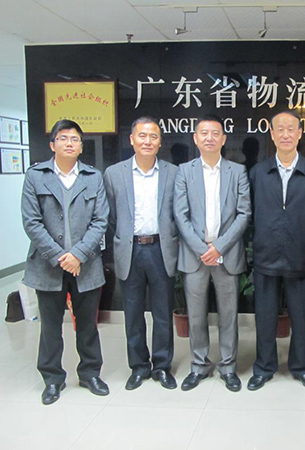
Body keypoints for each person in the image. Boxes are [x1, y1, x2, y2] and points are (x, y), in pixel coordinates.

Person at [21, 119, 109, 404]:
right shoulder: (36, 176)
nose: (69, 143)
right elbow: (32, 222)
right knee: (50, 327)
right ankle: (52, 379)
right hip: (47, 266)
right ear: (52, 145)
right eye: (63, 138)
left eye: (74, 139)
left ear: (81, 146)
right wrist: (62, 257)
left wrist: (78, 255)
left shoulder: (93, 177)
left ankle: (90, 374)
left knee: (87, 326)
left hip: (86, 264)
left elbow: (101, 221)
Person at [248, 111, 305, 391]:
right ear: (271, 134)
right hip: (266, 256)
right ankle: (264, 367)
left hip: (300, 257)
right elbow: (250, 214)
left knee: (302, 318)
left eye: (291, 129)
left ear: (300, 133)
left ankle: (302, 367)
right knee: (265, 317)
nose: (285, 134)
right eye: (279, 129)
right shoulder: (258, 172)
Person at [173, 114, 251, 392]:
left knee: (228, 315)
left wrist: (219, 246)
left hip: (226, 254)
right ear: (195, 138)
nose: (209, 138)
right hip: (195, 256)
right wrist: (201, 248)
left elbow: (244, 214)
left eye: (215, 133)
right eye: (204, 133)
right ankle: (199, 365)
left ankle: (228, 367)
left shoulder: (237, 171)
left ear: (223, 139)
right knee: (195, 316)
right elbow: (180, 215)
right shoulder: (184, 171)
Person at [103, 117, 179, 391]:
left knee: (162, 313)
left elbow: (178, 213)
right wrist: (125, 238)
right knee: (133, 313)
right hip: (130, 249)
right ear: (132, 139)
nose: (148, 141)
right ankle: (138, 366)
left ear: (160, 142)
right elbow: (110, 215)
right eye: (142, 136)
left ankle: (162, 366)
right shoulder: (114, 174)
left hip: (162, 250)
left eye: (153, 136)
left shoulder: (173, 173)